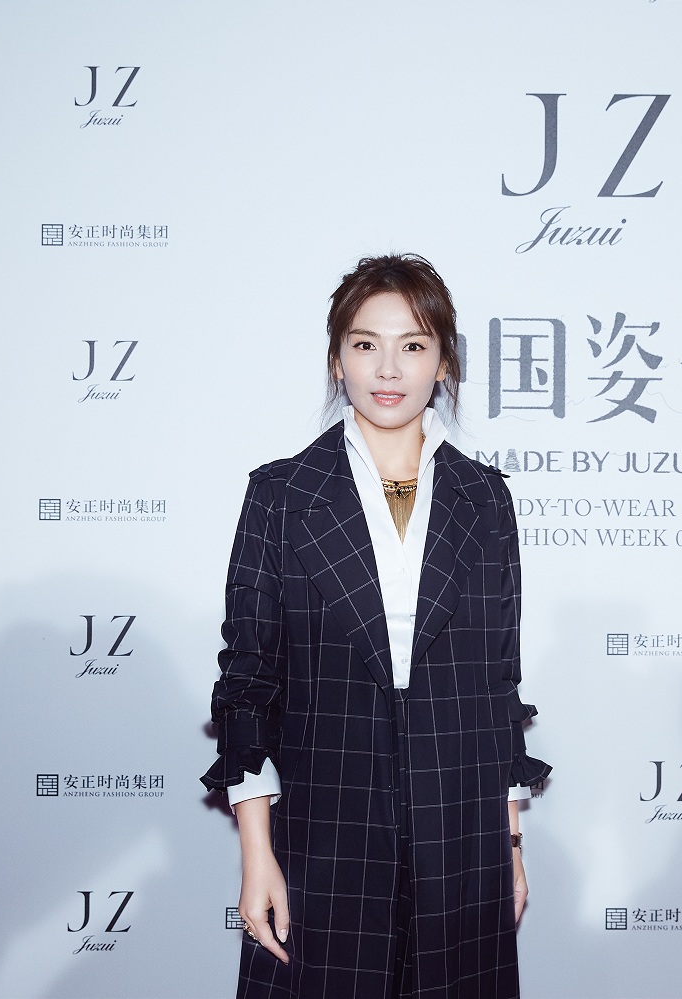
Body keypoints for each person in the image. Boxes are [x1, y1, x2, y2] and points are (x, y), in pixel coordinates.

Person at [202, 254, 550, 999]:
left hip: (461, 838)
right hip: (323, 833)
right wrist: (257, 856)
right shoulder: (282, 495)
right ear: (337, 359)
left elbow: (496, 687)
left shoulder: (486, 499)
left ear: (443, 363)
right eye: (365, 344)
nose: (388, 368)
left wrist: (511, 846)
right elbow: (248, 684)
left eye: (413, 345)